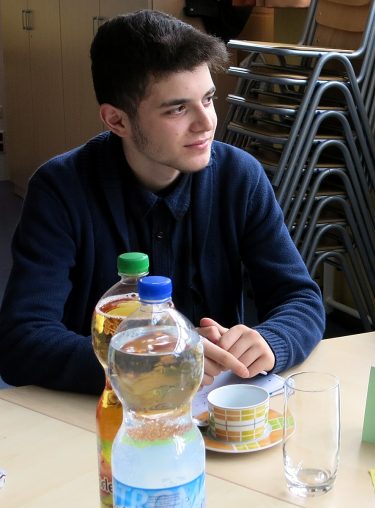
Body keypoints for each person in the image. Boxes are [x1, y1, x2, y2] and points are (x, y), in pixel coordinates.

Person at [0, 10, 325, 394]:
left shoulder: (240, 177)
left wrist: (271, 340)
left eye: (208, 99)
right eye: (177, 108)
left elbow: (299, 298)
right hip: (98, 416)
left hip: (217, 413)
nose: (206, 123)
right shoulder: (60, 189)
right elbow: (22, 339)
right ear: (116, 121)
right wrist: (140, 364)